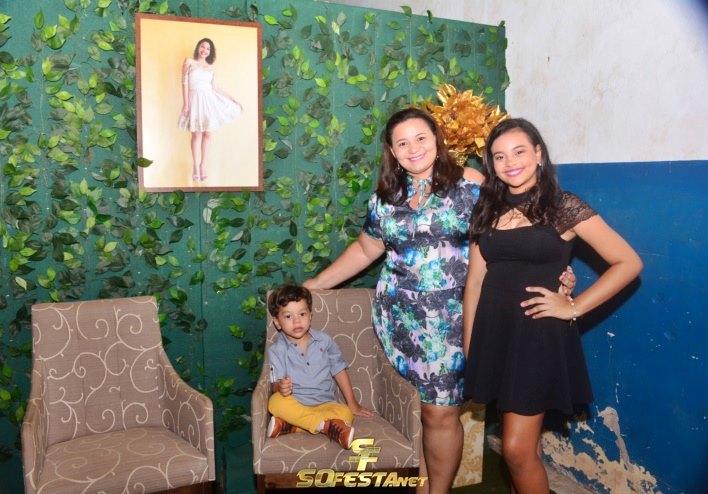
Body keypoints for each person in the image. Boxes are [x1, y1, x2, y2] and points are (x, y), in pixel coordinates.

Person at [303, 108, 575, 494]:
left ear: (437, 139)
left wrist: (557, 272)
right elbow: (366, 249)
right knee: (423, 412)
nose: (413, 148)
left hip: (456, 319)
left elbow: (526, 230)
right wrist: (316, 283)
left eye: (421, 138)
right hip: (399, 321)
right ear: (392, 152)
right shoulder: (385, 198)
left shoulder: (472, 185)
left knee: (440, 412)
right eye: (402, 143)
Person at [462, 118, 643, 494]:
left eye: (519, 151)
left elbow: (628, 262)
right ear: (491, 164)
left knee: (514, 450)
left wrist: (573, 307)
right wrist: (470, 346)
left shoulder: (564, 206)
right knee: (527, 447)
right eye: (499, 156)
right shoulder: (486, 209)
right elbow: (475, 281)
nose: (510, 162)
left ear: (539, 154)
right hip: (498, 335)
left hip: (538, 336)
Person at [265, 284, 373, 449]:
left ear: (310, 316)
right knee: (275, 402)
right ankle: (325, 426)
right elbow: (274, 385)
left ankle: (293, 426)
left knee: (345, 413)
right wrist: (280, 386)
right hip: (296, 403)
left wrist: (352, 403)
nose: (296, 320)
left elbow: (339, 369)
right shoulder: (276, 350)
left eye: (302, 314)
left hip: (325, 404)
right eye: (288, 316)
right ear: (277, 322)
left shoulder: (324, 341)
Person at [178, 37, 242, 182]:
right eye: (202, 46)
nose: (205, 50)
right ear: (198, 47)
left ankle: (202, 166)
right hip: (195, 100)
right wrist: (186, 104)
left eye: (208, 49)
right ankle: (195, 166)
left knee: (207, 134)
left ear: (210, 52)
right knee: (196, 134)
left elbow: (215, 88)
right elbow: (184, 83)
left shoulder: (211, 67)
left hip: (209, 101)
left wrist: (231, 98)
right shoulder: (189, 62)